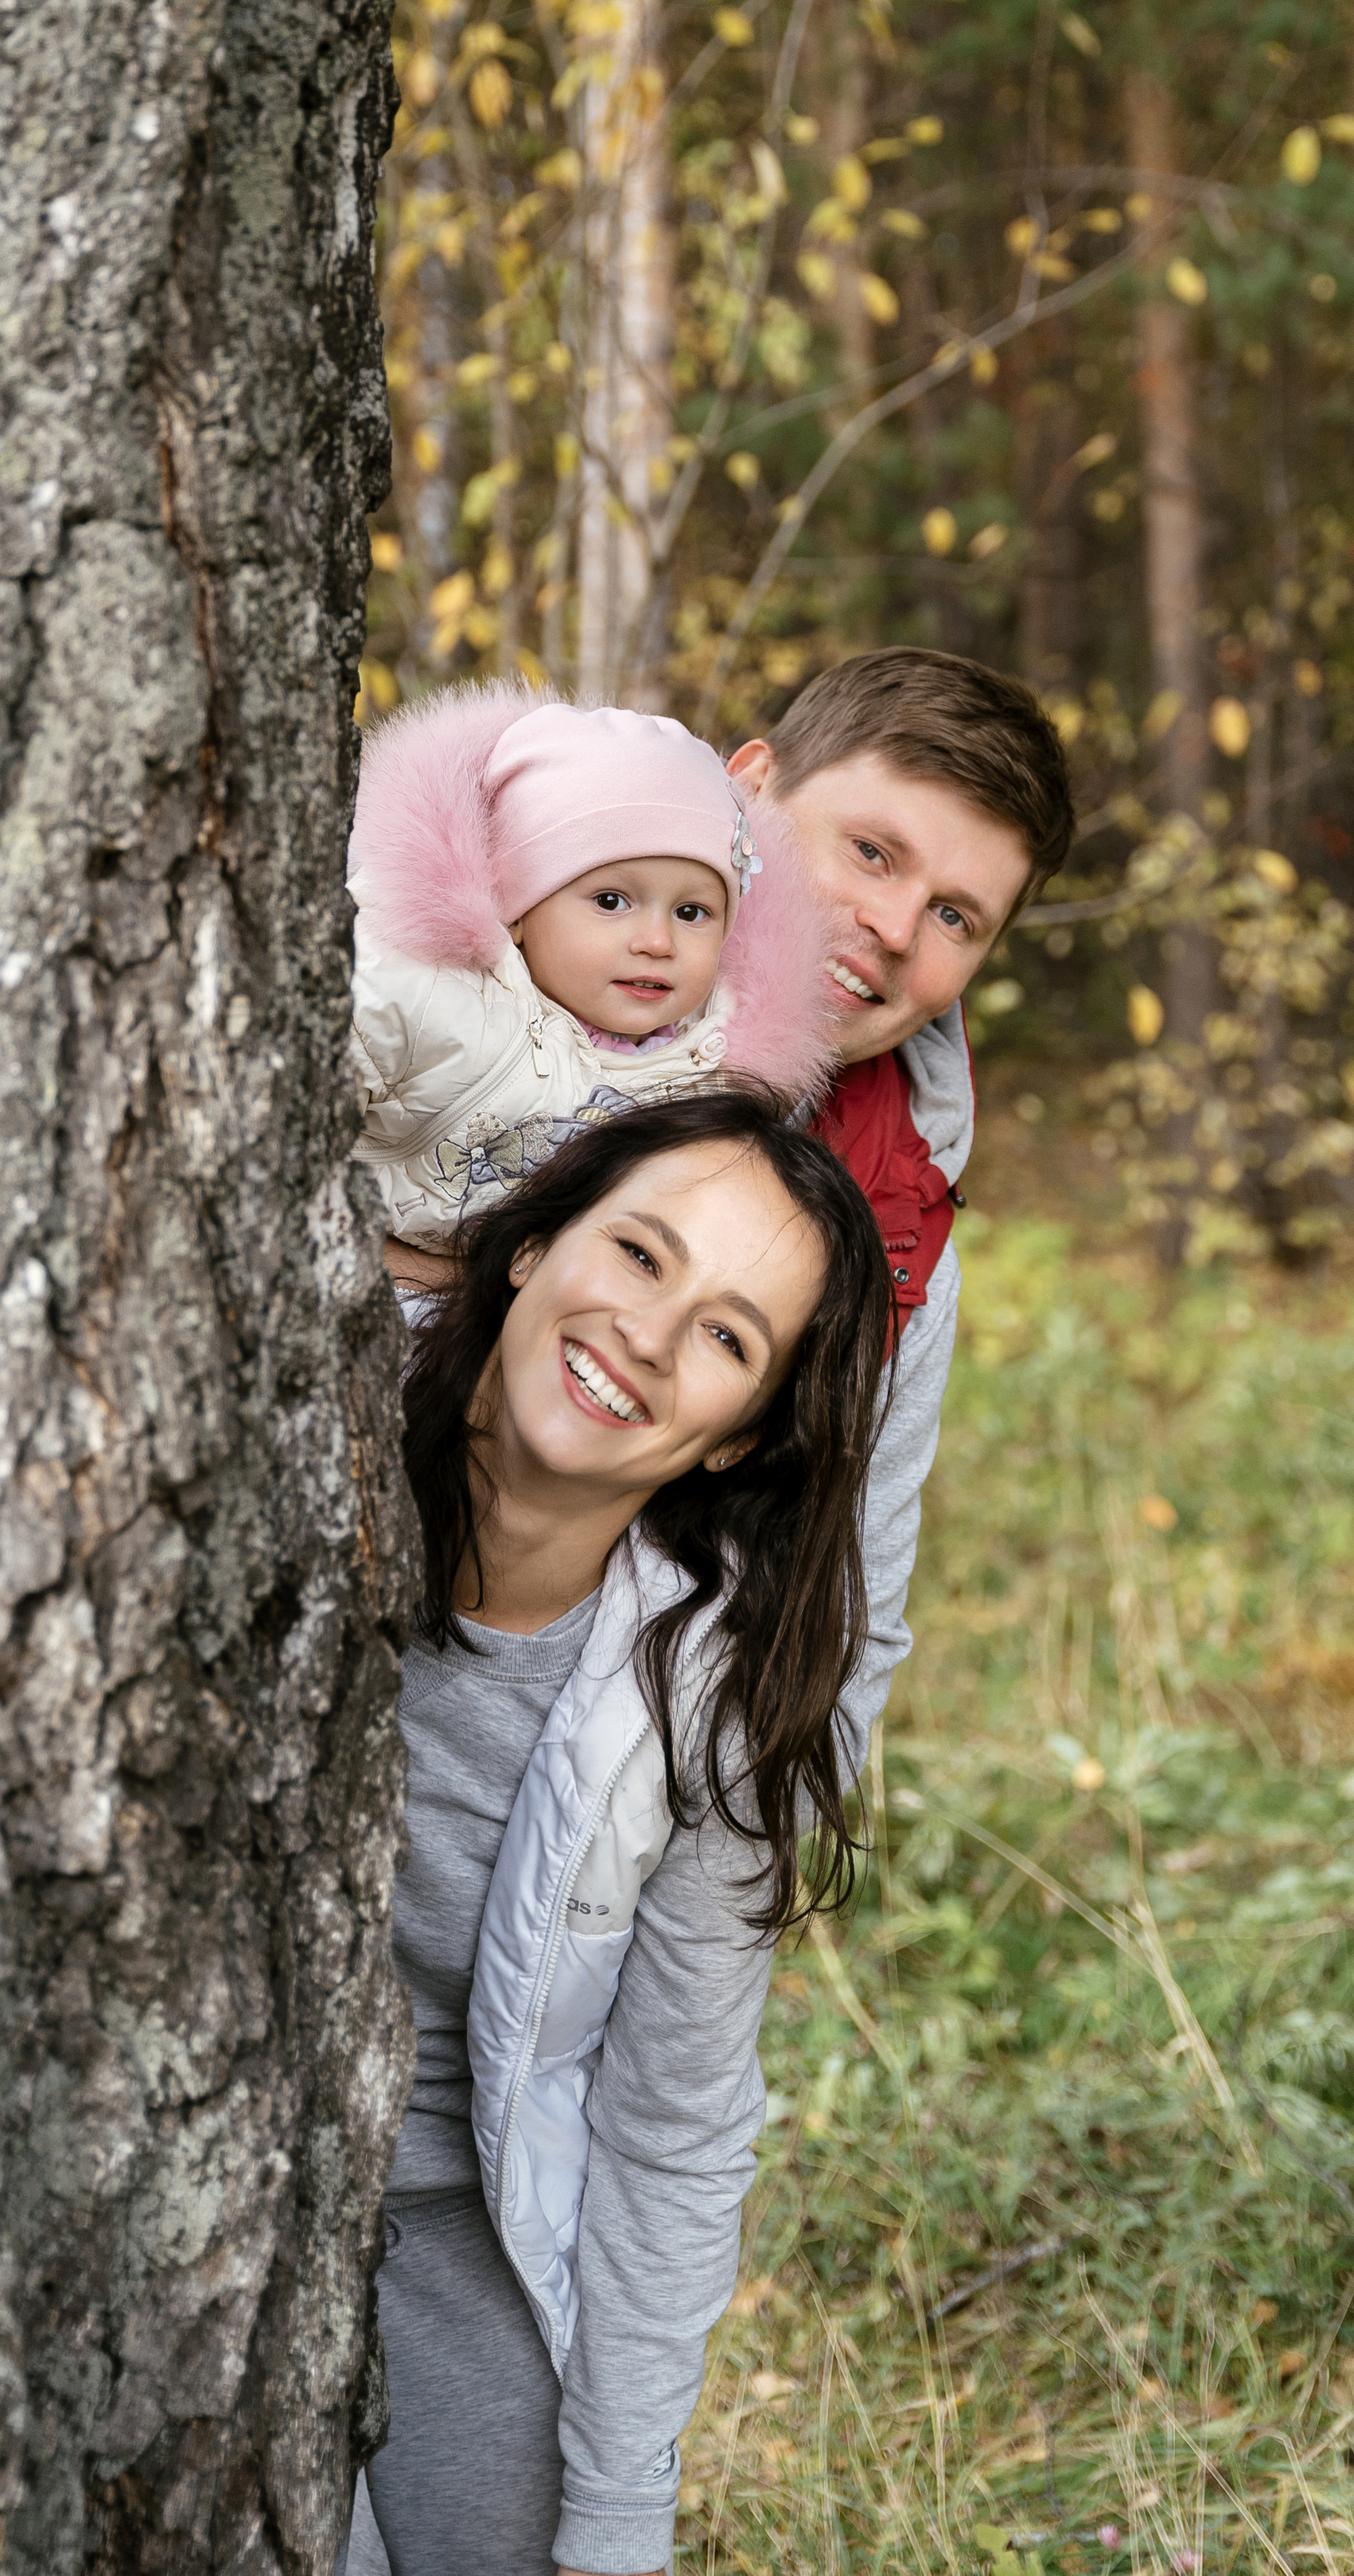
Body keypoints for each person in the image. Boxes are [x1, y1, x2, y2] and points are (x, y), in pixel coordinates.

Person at [344, 1089, 896, 2576]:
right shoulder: (292, 1455)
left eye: (725, 1336)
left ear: (741, 1439)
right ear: (527, 1249)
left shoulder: (708, 1700)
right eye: (640, 1255)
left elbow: (675, 2125)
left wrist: (619, 2517)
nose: (650, 1337)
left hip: (470, 2236)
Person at [724, 649, 1076, 1767]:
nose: (892, 925)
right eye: (872, 852)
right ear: (749, 788)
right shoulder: (480, 1030)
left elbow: (842, 1621)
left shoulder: (900, 1233)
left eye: (956, 917)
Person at [347, 684, 836, 1245]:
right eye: (611, 901)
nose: (657, 940)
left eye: (692, 911)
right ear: (517, 909)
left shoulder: (707, 1080)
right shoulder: (424, 986)